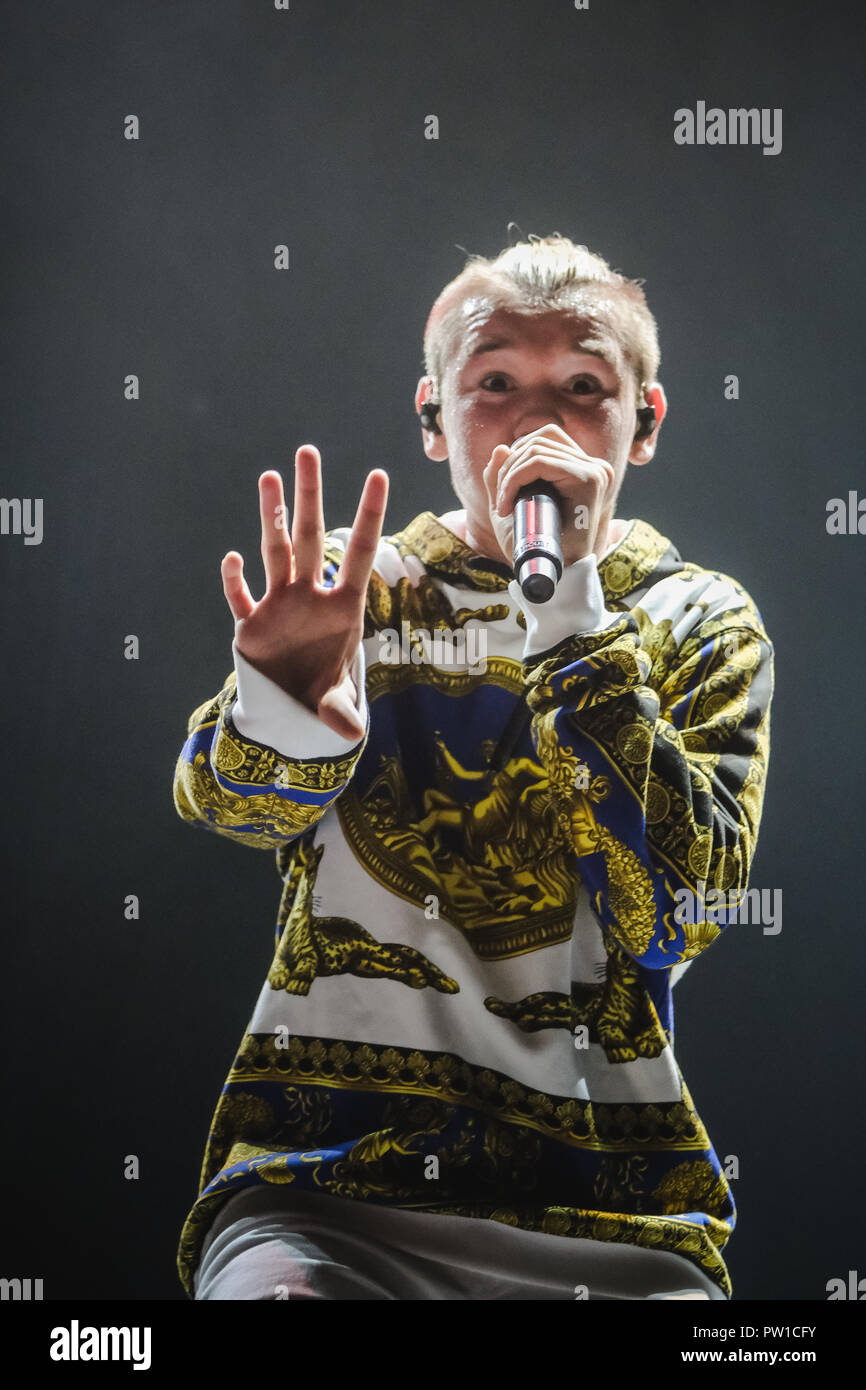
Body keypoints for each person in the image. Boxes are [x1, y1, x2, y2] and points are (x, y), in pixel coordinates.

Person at [173, 234, 774, 1300]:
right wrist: (283, 707)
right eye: (492, 381)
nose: (536, 418)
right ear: (430, 415)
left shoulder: (700, 619)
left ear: (644, 423)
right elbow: (222, 802)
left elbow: (679, 909)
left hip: (613, 1219)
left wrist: (574, 620)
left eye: (582, 386)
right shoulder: (357, 588)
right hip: (331, 1197)